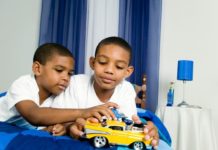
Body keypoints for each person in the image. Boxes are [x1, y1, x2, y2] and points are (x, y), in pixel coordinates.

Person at [52, 37, 159, 148]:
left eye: (119, 67)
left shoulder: (126, 89)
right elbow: (54, 114)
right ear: (92, 63)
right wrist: (69, 126)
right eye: (102, 62)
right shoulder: (75, 83)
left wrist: (144, 128)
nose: (109, 70)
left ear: (127, 72)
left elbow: (127, 125)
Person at [0, 43, 117, 136]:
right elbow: (34, 115)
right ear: (37, 69)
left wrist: (62, 127)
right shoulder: (23, 84)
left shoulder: (61, 93)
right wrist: (84, 111)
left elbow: (56, 118)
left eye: (70, 73)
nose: (66, 78)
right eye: (59, 70)